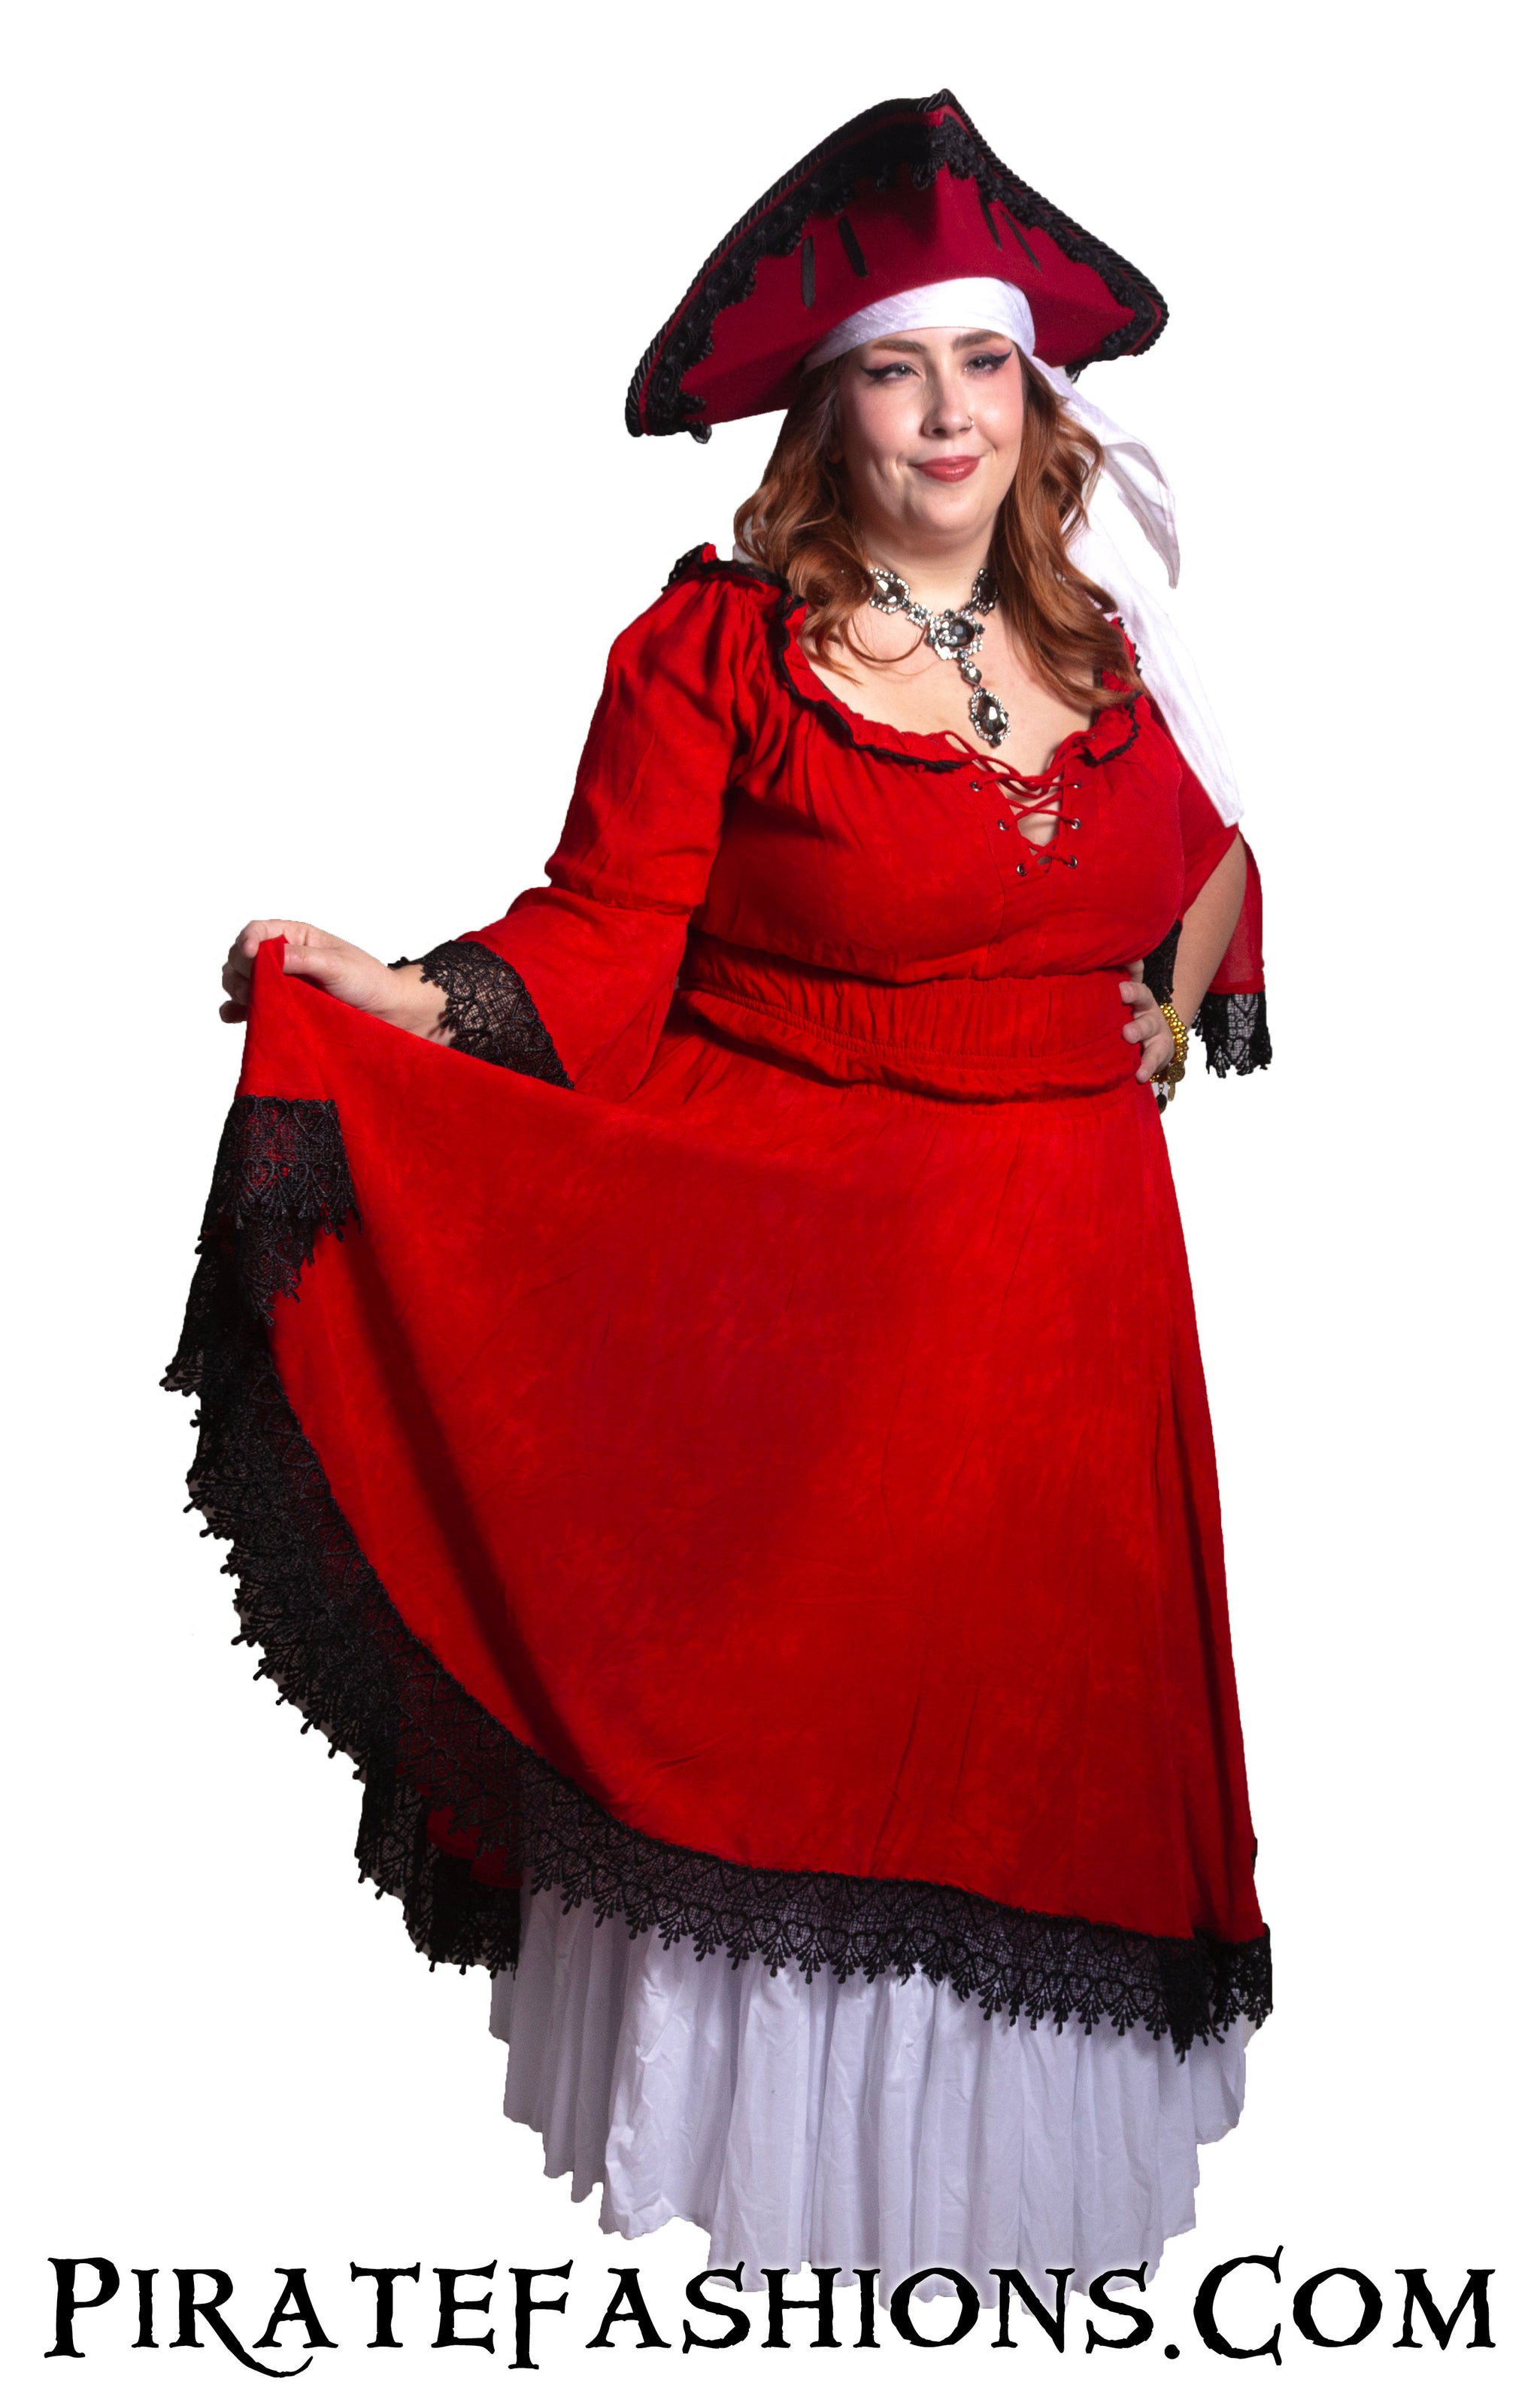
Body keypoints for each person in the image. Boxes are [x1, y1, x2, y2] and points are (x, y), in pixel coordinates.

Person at [174, 90, 1272, 2303]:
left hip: (1075, 1305)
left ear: (1033, 391)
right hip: (811, 1304)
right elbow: (600, 947)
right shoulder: (716, 653)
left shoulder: (1117, 644)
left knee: (1040, 1741)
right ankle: (793, 2229)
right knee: (817, 1746)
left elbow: (1222, 857)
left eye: (983, 365)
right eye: (898, 370)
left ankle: (1000, 2229)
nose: (948, 414)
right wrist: (383, 992)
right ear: (825, 406)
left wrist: (1171, 1000)